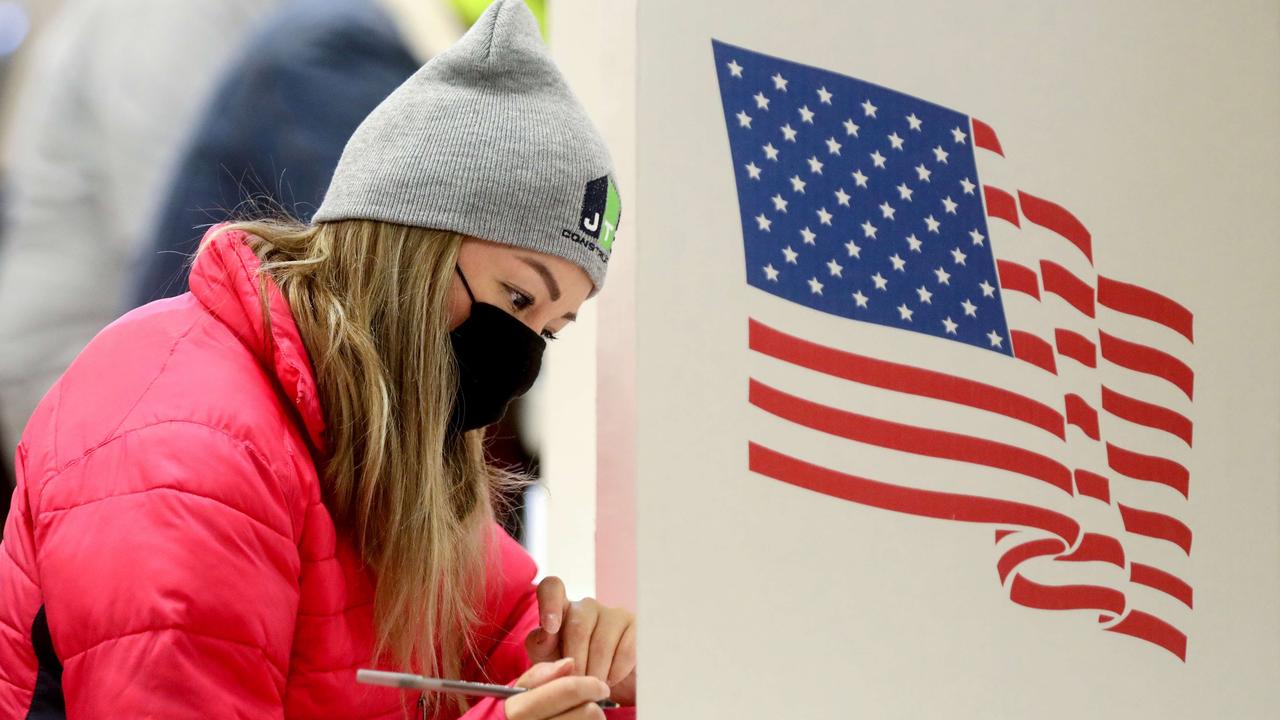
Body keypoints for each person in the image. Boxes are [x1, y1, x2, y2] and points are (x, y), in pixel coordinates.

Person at [0, 1, 633, 718]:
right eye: (519, 298)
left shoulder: (375, 431)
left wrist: (596, 676)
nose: (521, 358)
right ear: (410, 249)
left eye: (551, 330)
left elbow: (508, 644)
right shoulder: (191, 449)